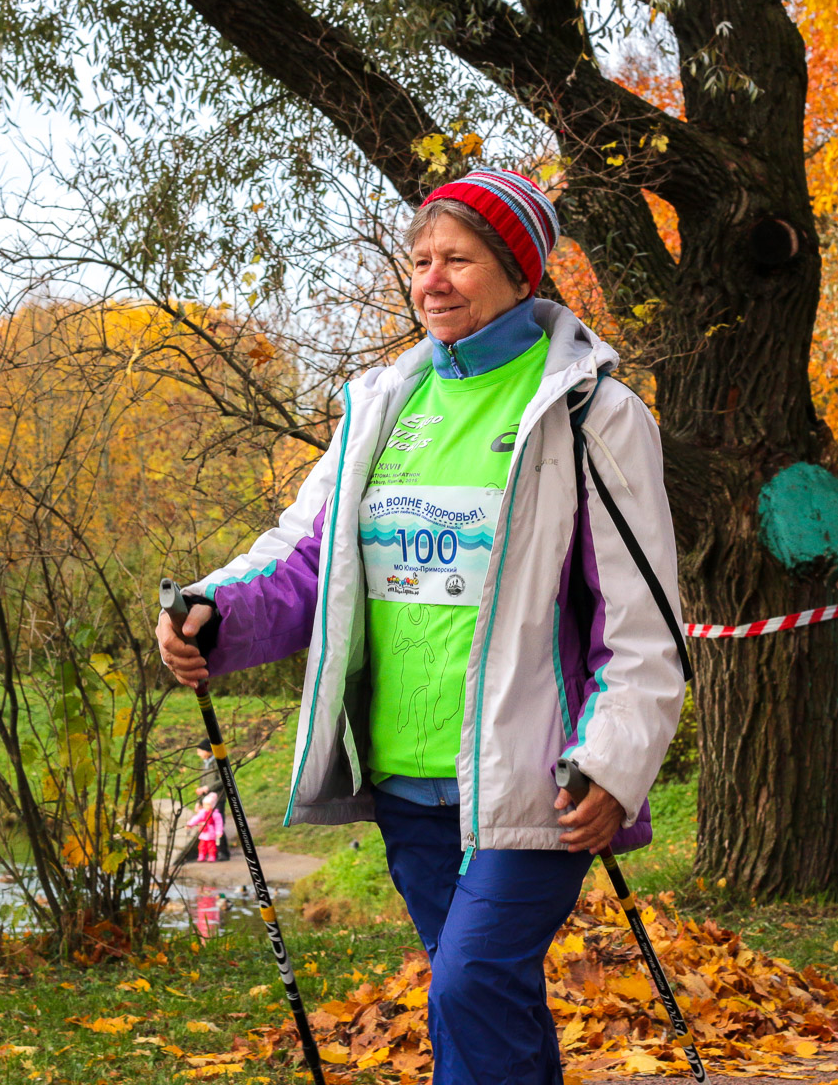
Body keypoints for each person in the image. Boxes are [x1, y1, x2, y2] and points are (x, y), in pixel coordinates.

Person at [157, 167, 684, 1085]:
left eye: (460, 260)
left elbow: (642, 622)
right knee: (485, 994)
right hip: (410, 778)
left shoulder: (589, 411)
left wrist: (614, 762)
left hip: (536, 782)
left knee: (470, 984)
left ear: (522, 274)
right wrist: (214, 612)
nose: (432, 279)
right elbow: (309, 561)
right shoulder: (383, 407)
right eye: (421, 259)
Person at [185, 787, 225, 863]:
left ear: (213, 805)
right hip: (203, 831)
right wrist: (190, 824)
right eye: (205, 805)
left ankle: (212, 856)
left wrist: (219, 832)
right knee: (202, 845)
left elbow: (219, 824)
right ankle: (201, 855)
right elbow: (196, 818)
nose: (206, 807)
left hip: (211, 832)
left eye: (208, 805)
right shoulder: (202, 812)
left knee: (211, 846)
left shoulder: (216, 814)